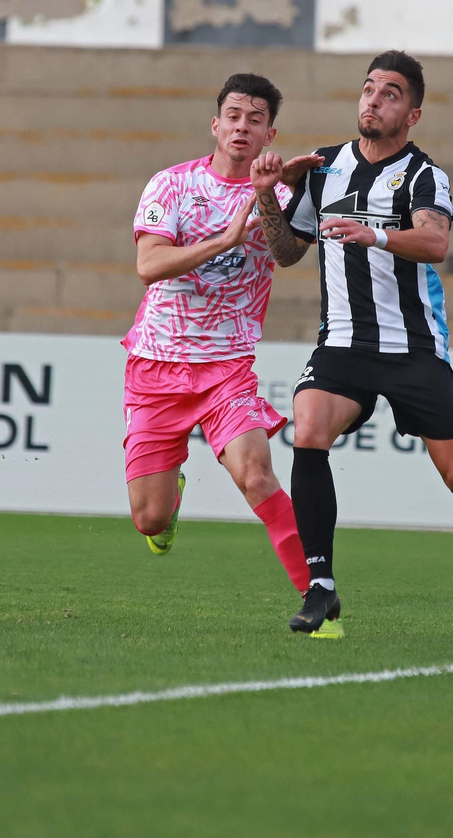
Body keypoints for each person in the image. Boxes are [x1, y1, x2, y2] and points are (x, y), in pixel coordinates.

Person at [249, 50, 453, 646]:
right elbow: (289, 252)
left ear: (412, 113)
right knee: (309, 426)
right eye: (368, 89)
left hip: (413, 348)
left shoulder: (424, 175)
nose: (373, 100)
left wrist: (374, 234)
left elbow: (436, 242)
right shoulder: (324, 167)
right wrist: (268, 194)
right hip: (342, 342)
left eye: (389, 93)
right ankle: (321, 585)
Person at [121, 72, 318, 624]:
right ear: (215, 124)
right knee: (149, 521)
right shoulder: (169, 185)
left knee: (256, 476)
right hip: (156, 363)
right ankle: (171, 500)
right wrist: (225, 240)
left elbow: (285, 256)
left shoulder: (278, 195)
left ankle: (319, 602)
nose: (242, 126)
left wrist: (264, 198)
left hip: (227, 366)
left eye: (255, 119)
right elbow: (149, 265)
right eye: (233, 115)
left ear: (268, 134)